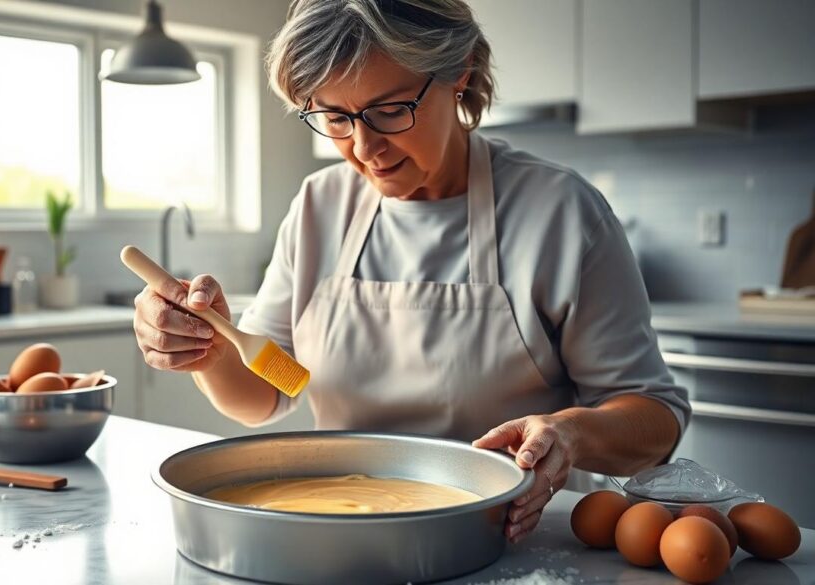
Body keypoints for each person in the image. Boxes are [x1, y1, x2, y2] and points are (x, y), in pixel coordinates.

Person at [132, 0, 689, 543]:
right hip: (343, 535)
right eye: (336, 117)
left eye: (390, 110)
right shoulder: (319, 207)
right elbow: (271, 386)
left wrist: (569, 433)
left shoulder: (560, 211)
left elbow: (654, 417)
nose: (365, 147)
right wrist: (211, 351)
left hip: (510, 537)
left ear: (460, 75)